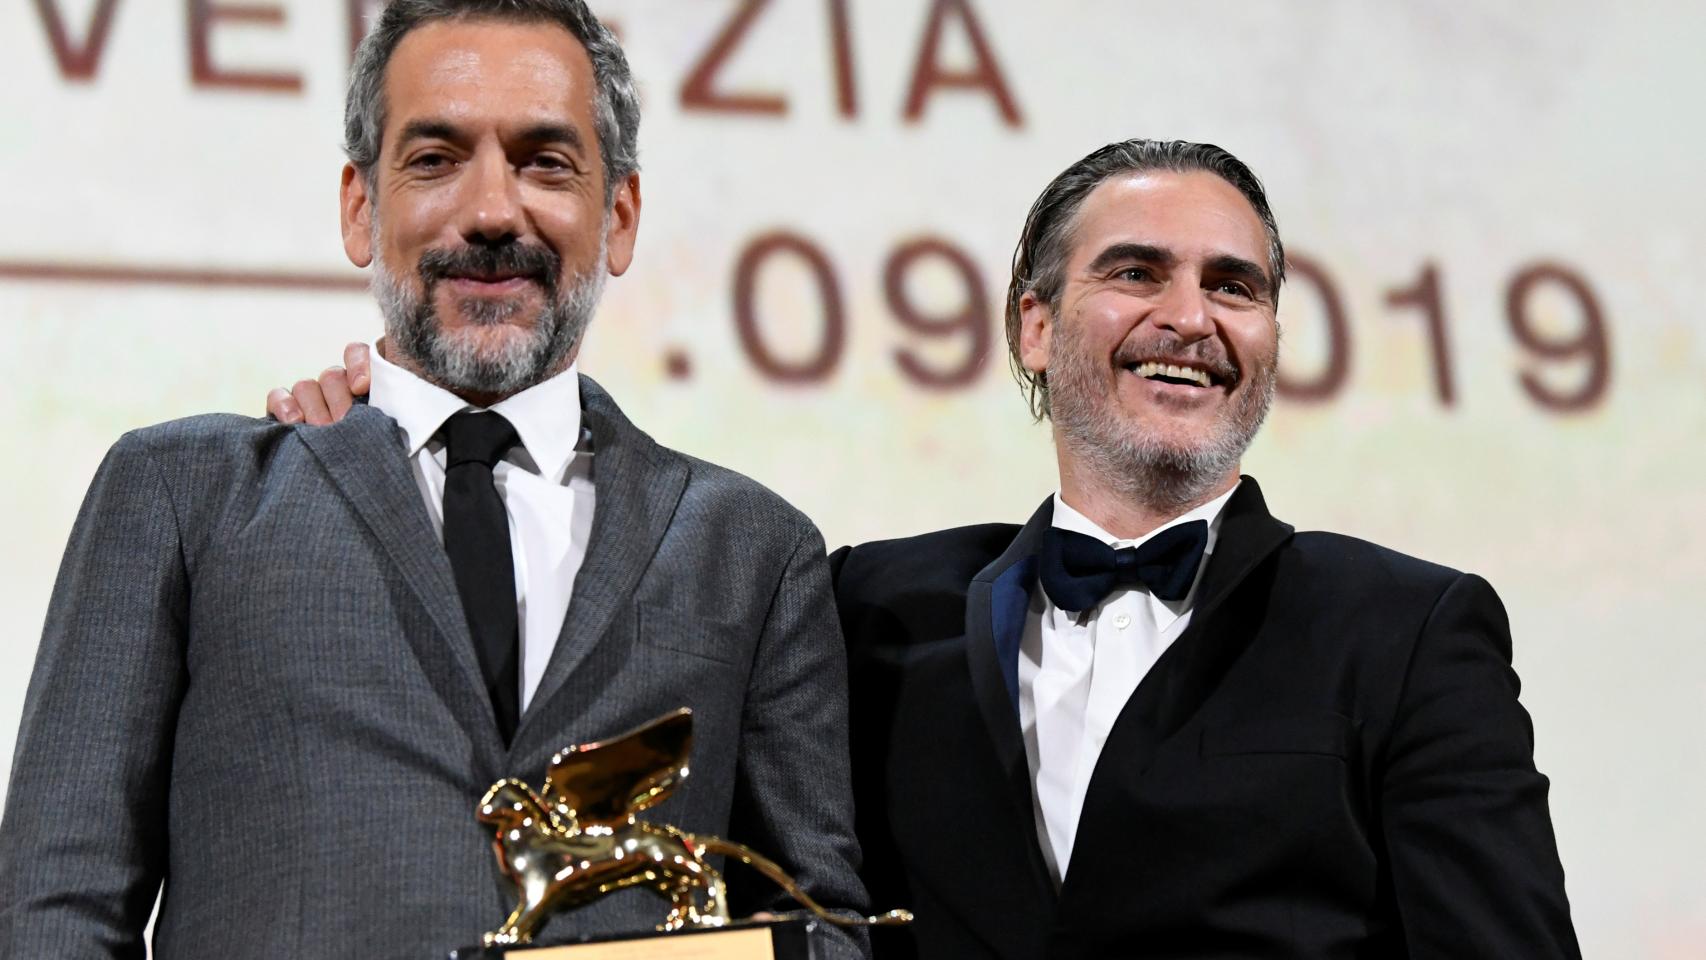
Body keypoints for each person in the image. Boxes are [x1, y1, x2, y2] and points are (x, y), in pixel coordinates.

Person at [267, 141, 1582, 958]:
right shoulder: (867, 602)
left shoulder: (1406, 629)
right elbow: (587, 736)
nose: (1190, 317)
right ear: (1031, 326)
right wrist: (404, 458)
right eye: (1136, 273)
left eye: (1233, 286)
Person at [0, 2, 868, 958]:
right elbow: (57, 910)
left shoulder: (753, 550)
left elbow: (820, 930)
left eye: (545, 161)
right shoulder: (180, 494)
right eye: (435, 158)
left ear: (618, 217)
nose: (492, 211)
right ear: (360, 208)